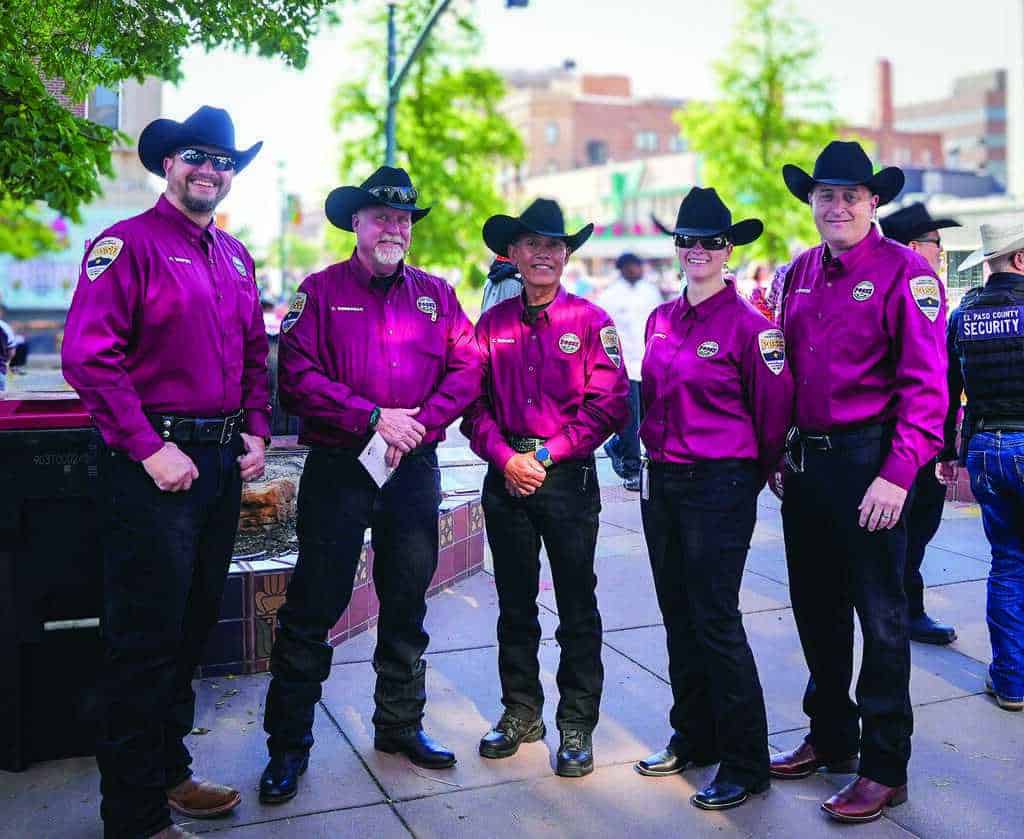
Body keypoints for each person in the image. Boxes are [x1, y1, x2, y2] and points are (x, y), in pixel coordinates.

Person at [61, 106, 271, 839]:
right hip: (150, 469)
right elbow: (89, 356)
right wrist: (150, 446)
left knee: (187, 634)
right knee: (143, 643)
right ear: (168, 165)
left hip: (216, 466)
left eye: (223, 161)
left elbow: (253, 355)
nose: (209, 170)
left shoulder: (237, 257)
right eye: (195, 156)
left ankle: (169, 771)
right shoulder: (127, 245)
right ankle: (135, 816)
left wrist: (256, 430)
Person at [260, 166, 481, 803]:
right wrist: (373, 418)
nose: (394, 228)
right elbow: (296, 378)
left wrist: (417, 425)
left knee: (407, 600)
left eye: (404, 219)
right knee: (313, 605)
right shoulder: (319, 292)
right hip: (340, 467)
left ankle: (399, 725)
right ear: (355, 223)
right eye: (382, 217)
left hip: (412, 468)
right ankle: (288, 745)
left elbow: (467, 368)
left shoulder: (437, 295)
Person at [771, 141, 948, 823]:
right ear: (811, 203)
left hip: (872, 464)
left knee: (881, 619)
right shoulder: (796, 273)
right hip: (808, 467)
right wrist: (777, 455)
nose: (837, 205)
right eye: (825, 194)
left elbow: (926, 387)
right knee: (816, 609)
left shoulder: (908, 274)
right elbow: (783, 371)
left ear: (874, 202)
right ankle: (832, 736)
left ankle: (884, 766)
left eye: (850, 194)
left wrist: (897, 475)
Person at [633, 188, 793, 811]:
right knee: (677, 613)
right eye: (687, 240)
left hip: (720, 484)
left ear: (730, 250)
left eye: (710, 241)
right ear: (676, 247)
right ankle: (692, 737)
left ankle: (746, 761)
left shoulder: (754, 329)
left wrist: (745, 477)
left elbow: (774, 415)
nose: (697, 251)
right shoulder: (659, 320)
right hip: (663, 482)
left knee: (715, 619)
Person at [464, 198, 629, 778]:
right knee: (514, 603)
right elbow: (473, 405)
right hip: (506, 476)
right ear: (512, 255)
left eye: (554, 246)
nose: (543, 254)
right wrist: (508, 457)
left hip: (567, 479)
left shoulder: (591, 322)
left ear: (566, 256)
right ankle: (521, 712)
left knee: (577, 605)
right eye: (532, 244)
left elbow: (609, 405)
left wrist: (547, 453)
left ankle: (576, 722)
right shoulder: (491, 326)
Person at [941, 221, 1024, 712]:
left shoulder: (964, 312)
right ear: (1019, 260)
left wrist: (949, 453)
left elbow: (948, 390)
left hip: (987, 449)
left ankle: (1012, 680)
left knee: (1008, 564)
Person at [880, 202, 961, 645]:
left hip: (925, 439)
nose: (940, 253)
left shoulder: (923, 287)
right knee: (906, 535)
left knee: (917, 532)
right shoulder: (910, 287)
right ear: (913, 246)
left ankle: (906, 608)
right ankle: (905, 611)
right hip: (903, 443)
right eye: (937, 244)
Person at [599, 252, 663, 490]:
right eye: (630, 266)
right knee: (629, 420)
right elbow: (606, 334)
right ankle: (632, 469)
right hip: (624, 366)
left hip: (650, 364)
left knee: (650, 417)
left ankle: (616, 447)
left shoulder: (651, 292)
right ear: (622, 268)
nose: (635, 269)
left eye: (638, 265)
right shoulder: (611, 296)